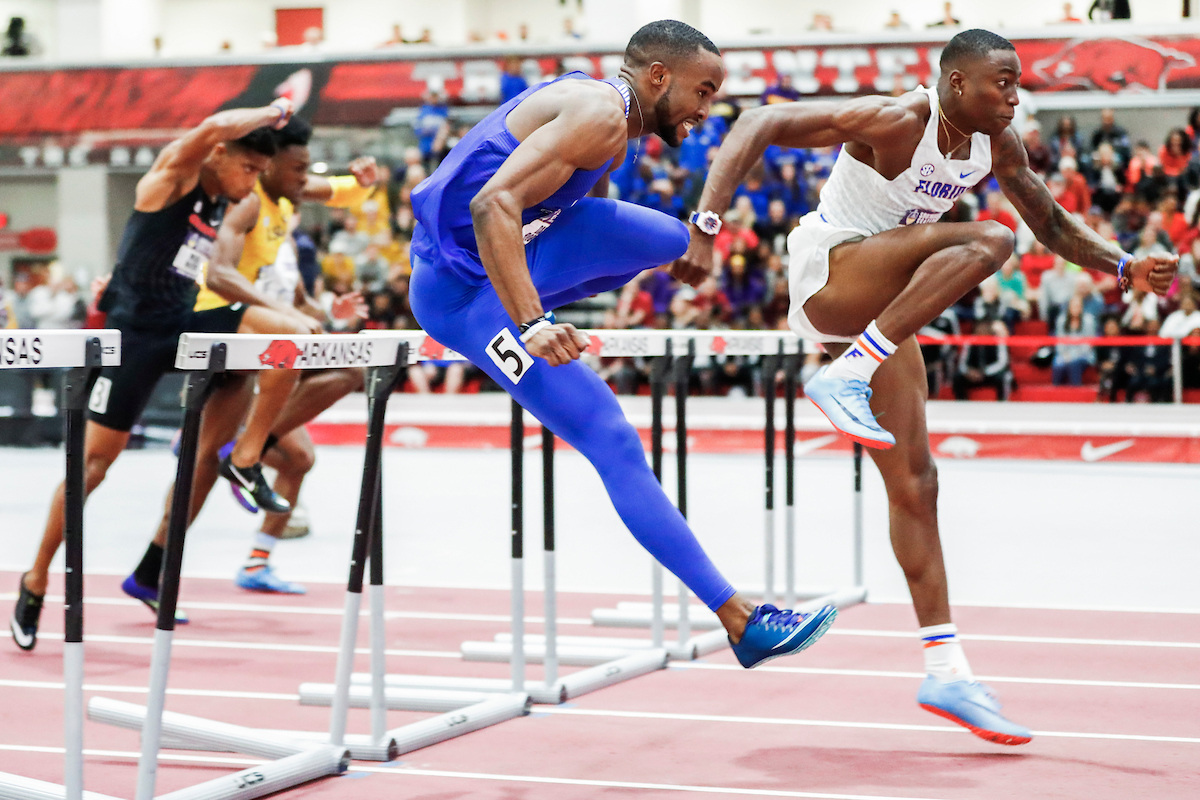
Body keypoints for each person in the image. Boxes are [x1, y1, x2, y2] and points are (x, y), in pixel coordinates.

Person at [678, 28, 1177, 744]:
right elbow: (761, 121)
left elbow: (1052, 221)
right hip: (831, 274)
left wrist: (1124, 268)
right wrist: (706, 224)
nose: (1014, 95)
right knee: (989, 240)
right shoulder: (898, 119)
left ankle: (945, 666)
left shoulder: (992, 144)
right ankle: (844, 374)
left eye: (1018, 81)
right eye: (1000, 82)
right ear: (952, 85)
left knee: (917, 483)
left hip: (886, 302)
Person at [408, 19, 837, 671]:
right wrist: (532, 323)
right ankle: (740, 620)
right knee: (611, 437)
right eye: (704, 90)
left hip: (513, 257)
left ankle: (542, 305)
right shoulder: (599, 116)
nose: (706, 109)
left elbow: (581, 209)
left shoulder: (615, 129)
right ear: (658, 76)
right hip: (461, 294)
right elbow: (493, 204)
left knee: (673, 240)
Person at [10, 99, 297, 651]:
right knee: (92, 467)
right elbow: (211, 126)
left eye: (261, 174)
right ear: (218, 155)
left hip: (186, 324)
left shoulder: (222, 200)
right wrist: (273, 108)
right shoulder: (172, 178)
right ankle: (36, 577)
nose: (253, 182)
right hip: (135, 339)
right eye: (249, 170)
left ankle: (244, 457)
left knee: (283, 341)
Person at [144, 117, 373, 596]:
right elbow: (219, 274)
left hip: (264, 345)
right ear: (267, 167)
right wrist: (287, 316)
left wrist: (333, 311)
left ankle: (246, 556)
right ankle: (247, 449)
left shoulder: (283, 227)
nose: (305, 180)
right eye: (296, 171)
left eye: (307, 171)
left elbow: (301, 301)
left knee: (295, 458)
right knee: (206, 463)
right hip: (228, 333)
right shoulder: (247, 203)